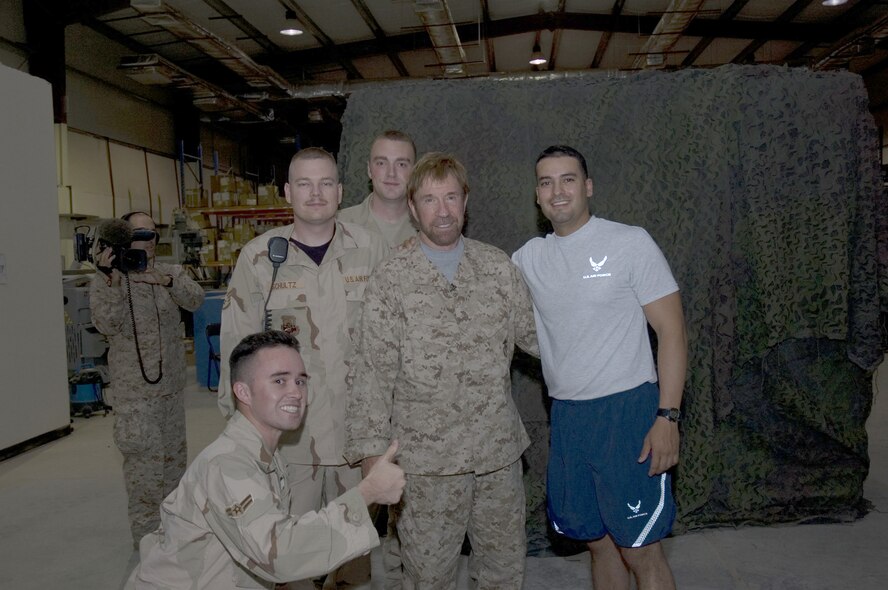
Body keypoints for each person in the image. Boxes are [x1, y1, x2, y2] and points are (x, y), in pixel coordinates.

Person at [345, 152, 538, 589]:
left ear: (466, 202)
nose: (443, 210)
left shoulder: (497, 268)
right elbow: (371, 374)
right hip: (425, 468)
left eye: (451, 196)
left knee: (504, 573)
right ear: (413, 209)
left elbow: (540, 338)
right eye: (430, 200)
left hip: (496, 458)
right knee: (427, 578)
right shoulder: (391, 278)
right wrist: (374, 460)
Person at [511, 145, 688, 590]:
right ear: (537, 195)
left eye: (568, 179)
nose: (558, 191)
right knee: (599, 543)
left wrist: (668, 416)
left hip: (628, 413)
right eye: (546, 182)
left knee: (640, 549)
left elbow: (672, 332)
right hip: (570, 418)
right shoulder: (527, 259)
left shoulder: (629, 243)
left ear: (587, 187)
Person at [218, 147, 389, 588]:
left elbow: (396, 342)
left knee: (354, 558)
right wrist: (241, 443)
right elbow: (236, 356)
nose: (316, 193)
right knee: (293, 563)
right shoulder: (259, 260)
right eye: (306, 184)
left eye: (326, 183)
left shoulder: (370, 251)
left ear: (341, 190)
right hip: (292, 447)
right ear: (288, 192)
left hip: (357, 440)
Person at [126, 330, 406, 589]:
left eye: (300, 381)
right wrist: (367, 492)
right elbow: (281, 554)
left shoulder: (266, 455)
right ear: (243, 392)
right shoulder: (227, 465)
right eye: (279, 380)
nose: (296, 391)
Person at [89, 211, 205, 548]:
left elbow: (196, 299)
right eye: (141, 233)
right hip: (135, 396)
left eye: (154, 234)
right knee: (144, 475)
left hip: (170, 392)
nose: (148, 241)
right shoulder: (108, 279)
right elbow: (107, 325)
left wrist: (166, 282)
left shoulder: (170, 272)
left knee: (173, 470)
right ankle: (147, 546)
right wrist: (110, 280)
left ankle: (173, 538)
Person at [338, 130, 417, 248]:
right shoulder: (338, 226)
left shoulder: (431, 229)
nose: (391, 173)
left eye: (401, 164)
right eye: (381, 163)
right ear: (369, 170)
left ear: (415, 171)